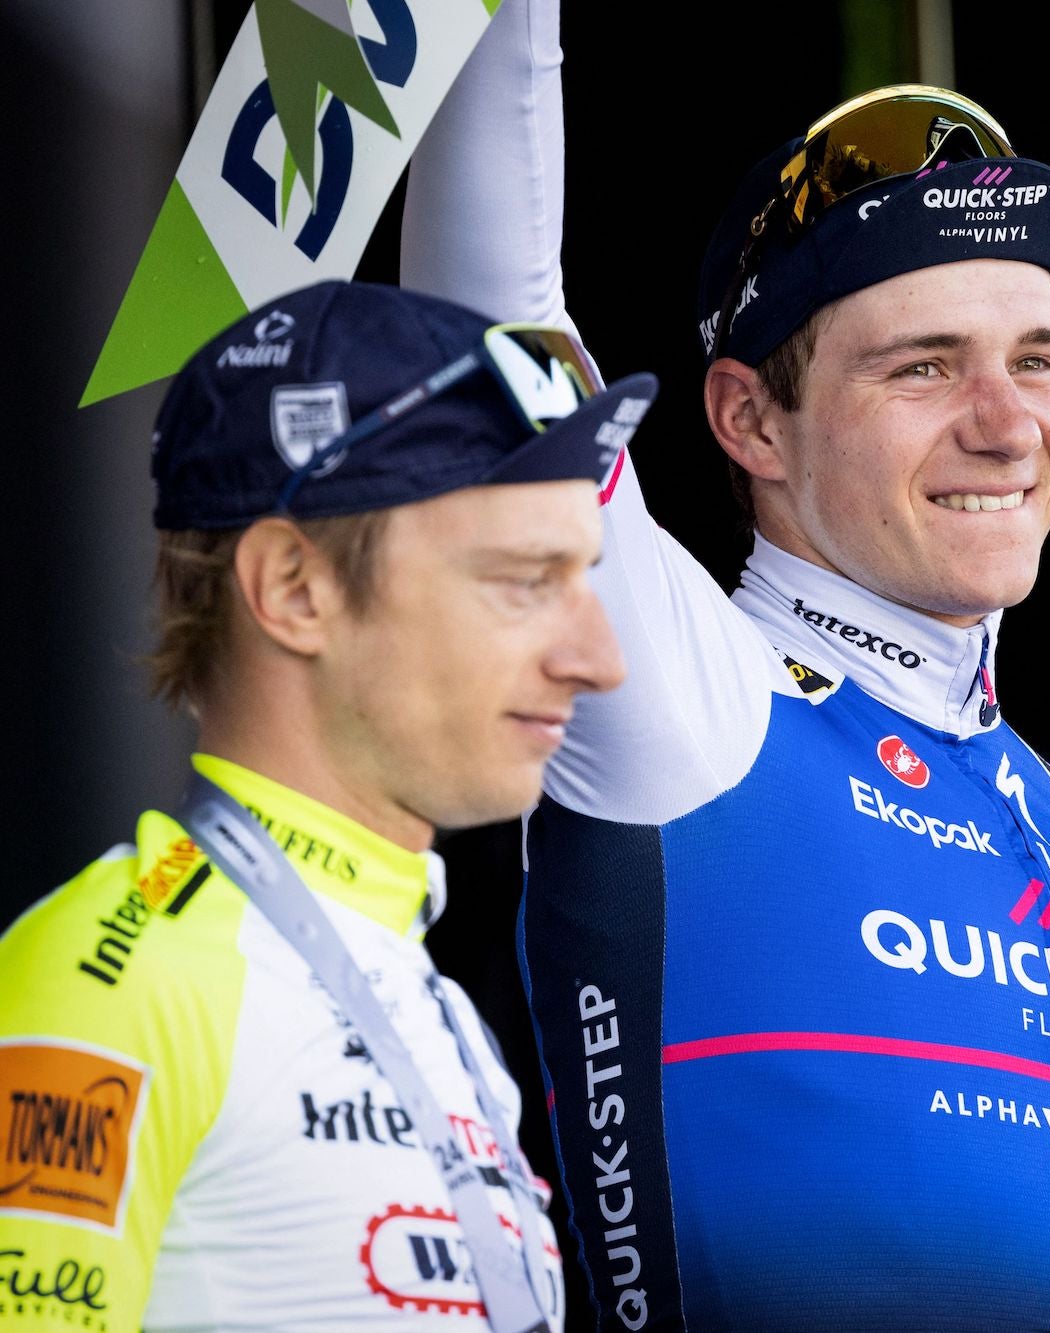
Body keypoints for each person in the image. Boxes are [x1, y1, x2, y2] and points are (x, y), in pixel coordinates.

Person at [398, 6, 1050, 1329]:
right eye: (924, 368)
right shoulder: (694, 701)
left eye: (1038, 362)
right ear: (750, 419)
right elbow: (492, 325)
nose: (1008, 425)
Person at [0, 277, 656, 1330]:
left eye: (583, 579)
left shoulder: (424, 994)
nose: (599, 658)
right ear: (296, 591)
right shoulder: (113, 978)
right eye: (525, 582)